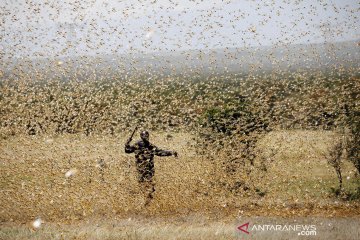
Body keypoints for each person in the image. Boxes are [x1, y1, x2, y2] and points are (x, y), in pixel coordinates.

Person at [125, 130, 178, 205]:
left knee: (150, 188)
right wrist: (127, 143)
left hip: (149, 170)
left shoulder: (150, 146)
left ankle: (146, 203)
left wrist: (171, 152)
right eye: (144, 136)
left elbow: (160, 152)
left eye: (146, 136)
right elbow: (127, 150)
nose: (145, 137)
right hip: (141, 169)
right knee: (145, 187)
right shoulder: (137, 145)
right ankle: (143, 203)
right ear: (141, 136)